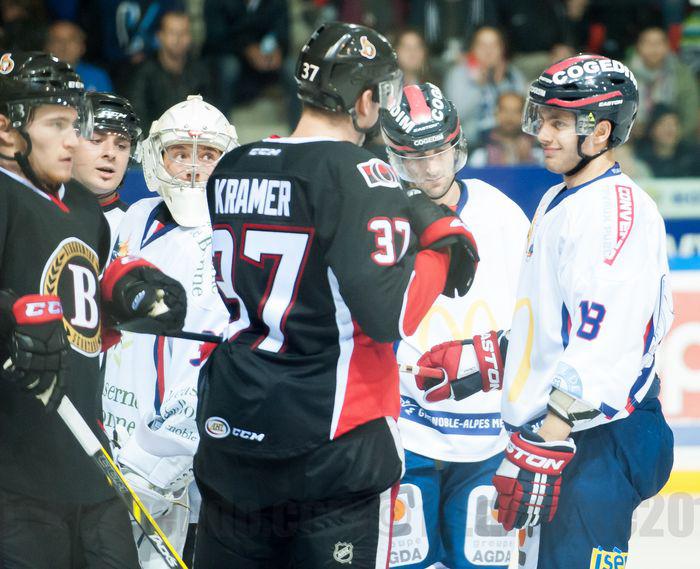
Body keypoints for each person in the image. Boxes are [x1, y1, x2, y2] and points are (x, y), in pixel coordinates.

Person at [195, 22, 480, 568]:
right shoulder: (360, 172)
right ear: (364, 99)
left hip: (235, 429)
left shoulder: (233, 164)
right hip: (333, 446)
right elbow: (391, 315)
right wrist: (442, 250)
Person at [412, 54, 675, 568]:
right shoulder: (563, 197)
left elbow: (605, 340)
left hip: (595, 438)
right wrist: (492, 356)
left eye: (558, 123)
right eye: (542, 119)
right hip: (573, 434)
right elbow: (558, 322)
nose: (542, 134)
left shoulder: (611, 213)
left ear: (600, 132)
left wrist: (550, 437)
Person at [0, 51, 186, 569]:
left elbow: (83, 310)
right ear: (6, 130)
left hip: (88, 456)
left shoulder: (82, 207)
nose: (72, 141)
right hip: (15, 472)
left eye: (74, 124)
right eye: (55, 125)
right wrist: (11, 319)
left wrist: (126, 294)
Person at [381, 83, 528, 568]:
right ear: (394, 157)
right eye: (414, 157)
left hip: (489, 436)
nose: (429, 169)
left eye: (438, 153)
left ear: (457, 145)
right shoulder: (378, 219)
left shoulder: (502, 214)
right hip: (404, 435)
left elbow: (536, 316)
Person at [103, 94, 238, 567]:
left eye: (208, 155)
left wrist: (158, 463)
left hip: (165, 467)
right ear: (155, 157)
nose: (194, 168)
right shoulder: (137, 215)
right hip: (109, 433)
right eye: (181, 153)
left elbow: (213, 368)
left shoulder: (229, 238)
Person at [72, 91, 142, 248]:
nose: (110, 153)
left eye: (121, 146)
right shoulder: (34, 213)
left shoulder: (141, 229)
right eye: (96, 140)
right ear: (67, 143)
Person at [126, 10, 209, 131]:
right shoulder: (143, 72)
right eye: (172, 32)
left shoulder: (201, 71)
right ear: (159, 36)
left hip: (192, 138)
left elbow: (210, 113)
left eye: (183, 33)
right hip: (153, 138)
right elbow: (137, 117)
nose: (178, 39)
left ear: (190, 37)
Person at [444, 26, 525, 143]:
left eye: (494, 45)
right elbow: (455, 116)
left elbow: (523, 112)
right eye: (482, 46)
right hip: (473, 141)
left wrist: (500, 83)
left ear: (502, 49)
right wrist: (478, 86)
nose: (488, 51)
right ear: (472, 49)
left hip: (509, 137)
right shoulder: (459, 73)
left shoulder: (512, 74)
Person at [627, 25, 699, 141]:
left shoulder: (681, 73)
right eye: (648, 43)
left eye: (658, 43)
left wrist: (675, 135)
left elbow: (691, 113)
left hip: (673, 138)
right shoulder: (623, 73)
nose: (653, 48)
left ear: (667, 46)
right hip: (631, 137)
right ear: (638, 46)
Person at [469, 91, 543, 166]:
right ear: (496, 113)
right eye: (504, 110)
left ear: (524, 115)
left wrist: (526, 160)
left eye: (516, 111)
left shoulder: (536, 151)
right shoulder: (481, 151)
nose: (509, 117)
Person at [44, 21, 113, 92]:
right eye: (57, 40)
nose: (64, 46)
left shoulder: (97, 77)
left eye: (71, 40)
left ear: (82, 47)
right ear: (47, 47)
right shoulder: (39, 78)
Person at [635, 104, 700, 178]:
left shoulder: (693, 157)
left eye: (674, 124)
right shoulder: (639, 159)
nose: (670, 129)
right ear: (652, 129)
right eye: (664, 124)